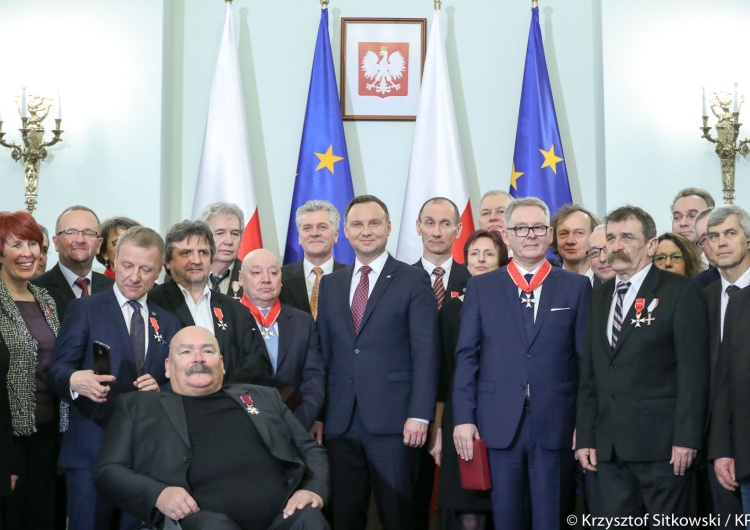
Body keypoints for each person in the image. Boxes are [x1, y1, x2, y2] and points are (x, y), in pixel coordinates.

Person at [95, 326, 330, 530]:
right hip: (200, 521)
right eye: (186, 351)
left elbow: (310, 448)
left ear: (222, 363)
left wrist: (313, 490)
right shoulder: (138, 406)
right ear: (168, 366)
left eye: (208, 350)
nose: (198, 358)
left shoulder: (263, 396)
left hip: (284, 516)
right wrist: (159, 495)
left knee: (310, 519)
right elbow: (108, 471)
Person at [453, 197, 590, 529]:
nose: (530, 235)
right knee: (507, 520)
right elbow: (467, 357)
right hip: (498, 424)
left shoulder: (576, 286)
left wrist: (584, 425)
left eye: (538, 228)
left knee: (551, 519)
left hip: (557, 425)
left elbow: (586, 362)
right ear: (507, 236)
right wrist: (463, 419)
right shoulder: (482, 286)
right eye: (521, 228)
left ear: (550, 234)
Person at [576, 205, 709, 521]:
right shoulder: (600, 295)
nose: (617, 245)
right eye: (611, 238)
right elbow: (591, 373)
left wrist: (687, 439)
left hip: (663, 449)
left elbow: (694, 373)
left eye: (627, 237)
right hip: (608, 450)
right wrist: (586, 436)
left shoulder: (681, 291)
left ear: (651, 245)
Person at [316, 195, 439, 529]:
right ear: (345, 231)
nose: (365, 231)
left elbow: (427, 353)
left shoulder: (412, 280)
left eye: (373, 223)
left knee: (399, 517)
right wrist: (319, 416)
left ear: (388, 228)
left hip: (396, 424)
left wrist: (419, 414)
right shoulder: (330, 284)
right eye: (357, 224)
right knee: (345, 517)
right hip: (340, 423)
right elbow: (322, 354)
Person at [50, 226, 181, 530]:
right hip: (90, 450)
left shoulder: (169, 321)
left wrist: (161, 388)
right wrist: (75, 380)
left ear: (159, 271)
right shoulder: (84, 309)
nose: (134, 276)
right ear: (113, 262)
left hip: (144, 458)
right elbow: (57, 371)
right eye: (127, 265)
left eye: (145, 269)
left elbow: (176, 382)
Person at [434, 230, 507, 530]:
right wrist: (437, 428)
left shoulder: (513, 303)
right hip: (459, 416)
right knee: (466, 508)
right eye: (475, 253)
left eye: (489, 253)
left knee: (504, 504)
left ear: (501, 259)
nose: (481, 260)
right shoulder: (452, 307)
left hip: (501, 412)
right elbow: (443, 372)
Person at [148, 220, 272, 386]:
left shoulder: (237, 311)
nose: (196, 260)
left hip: (228, 404)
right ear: (167, 262)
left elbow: (257, 366)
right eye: (186, 253)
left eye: (203, 252)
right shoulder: (152, 304)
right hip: (173, 406)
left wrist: (220, 395)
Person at [411, 196, 471, 528]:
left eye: (446, 223)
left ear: (459, 229)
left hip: (458, 406)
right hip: (409, 411)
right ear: (417, 227)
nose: (437, 231)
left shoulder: (476, 280)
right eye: (430, 223)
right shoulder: (398, 279)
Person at [0, 211, 62, 530]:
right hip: (10, 441)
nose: (28, 253)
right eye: (16, 244)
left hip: (49, 434)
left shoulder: (45, 298)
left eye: (33, 243)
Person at [700, 205, 750, 525]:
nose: (721, 242)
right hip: (722, 446)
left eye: (730, 233)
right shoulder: (697, 296)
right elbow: (716, 381)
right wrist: (721, 447)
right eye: (713, 236)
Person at [238, 249, 325, 431]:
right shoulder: (228, 319)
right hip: (242, 427)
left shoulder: (303, 322)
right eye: (256, 272)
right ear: (241, 278)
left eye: (273, 272)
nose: (266, 279)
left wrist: (295, 425)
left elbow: (314, 381)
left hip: (294, 427)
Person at [31, 206, 115, 322]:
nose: (80, 240)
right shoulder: (33, 289)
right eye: (70, 232)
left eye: (88, 233)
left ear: (99, 245)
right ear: (56, 243)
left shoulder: (114, 289)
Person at [280, 200, 346, 318]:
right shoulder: (280, 277)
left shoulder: (351, 277)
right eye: (307, 228)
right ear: (299, 237)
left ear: (335, 235)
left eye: (322, 227)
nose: (314, 233)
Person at [199, 202, 245, 300]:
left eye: (235, 234)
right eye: (220, 233)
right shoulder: (186, 275)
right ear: (204, 237)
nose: (229, 241)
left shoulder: (250, 276)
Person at [551, 204, 600, 283]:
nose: (570, 241)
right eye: (563, 234)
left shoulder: (610, 284)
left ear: (594, 236)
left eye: (579, 233)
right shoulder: (546, 284)